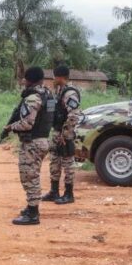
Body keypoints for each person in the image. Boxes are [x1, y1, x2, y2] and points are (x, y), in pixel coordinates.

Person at [5, 66, 55, 225]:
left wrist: (10, 127)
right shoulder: (48, 94)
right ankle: (31, 206)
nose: (23, 82)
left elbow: (27, 124)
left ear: (29, 80)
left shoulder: (33, 98)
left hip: (32, 143)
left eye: (25, 79)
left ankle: (33, 214)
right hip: (43, 140)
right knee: (33, 174)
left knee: (29, 177)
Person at [42, 64, 81, 204]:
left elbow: (74, 115)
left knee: (67, 163)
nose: (53, 78)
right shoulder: (60, 90)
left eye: (54, 76)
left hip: (65, 134)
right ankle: (54, 191)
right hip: (57, 132)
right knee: (54, 161)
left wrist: (66, 134)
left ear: (59, 77)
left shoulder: (70, 93)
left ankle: (69, 194)